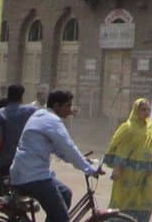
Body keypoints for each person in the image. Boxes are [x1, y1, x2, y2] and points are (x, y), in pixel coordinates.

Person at [10, 89, 101, 222]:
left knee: (65, 193)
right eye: (68, 106)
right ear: (57, 106)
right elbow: (68, 147)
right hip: (34, 177)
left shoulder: (40, 114)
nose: (70, 110)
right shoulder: (52, 121)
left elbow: (60, 150)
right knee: (62, 218)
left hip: (23, 174)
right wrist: (89, 169)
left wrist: (83, 160)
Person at [105, 98, 152, 222]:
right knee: (125, 200)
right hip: (129, 172)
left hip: (148, 171)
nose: (146, 112)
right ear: (136, 110)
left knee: (148, 198)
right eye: (143, 109)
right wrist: (117, 167)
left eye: (148, 109)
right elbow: (121, 148)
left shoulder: (151, 126)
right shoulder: (128, 128)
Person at [0, 85, 37, 199]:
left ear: (8, 96)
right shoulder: (31, 110)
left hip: (6, 156)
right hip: (26, 157)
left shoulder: (0, 113)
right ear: (22, 96)